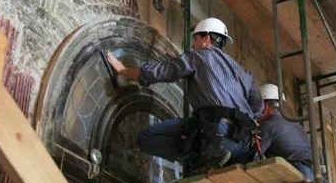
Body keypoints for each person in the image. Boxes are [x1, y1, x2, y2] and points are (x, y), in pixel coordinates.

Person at [106, 17, 262, 171]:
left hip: (216, 136)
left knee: (145, 138)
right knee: (195, 134)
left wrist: (123, 70)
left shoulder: (198, 56)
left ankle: (207, 157)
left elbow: (157, 73)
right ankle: (211, 157)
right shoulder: (243, 72)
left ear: (207, 38)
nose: (193, 45)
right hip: (243, 146)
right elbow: (258, 107)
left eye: (195, 39)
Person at [257, 83, 314, 181]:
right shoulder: (295, 123)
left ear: (265, 106)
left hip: (294, 173)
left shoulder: (269, 124)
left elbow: (255, 153)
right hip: (310, 172)